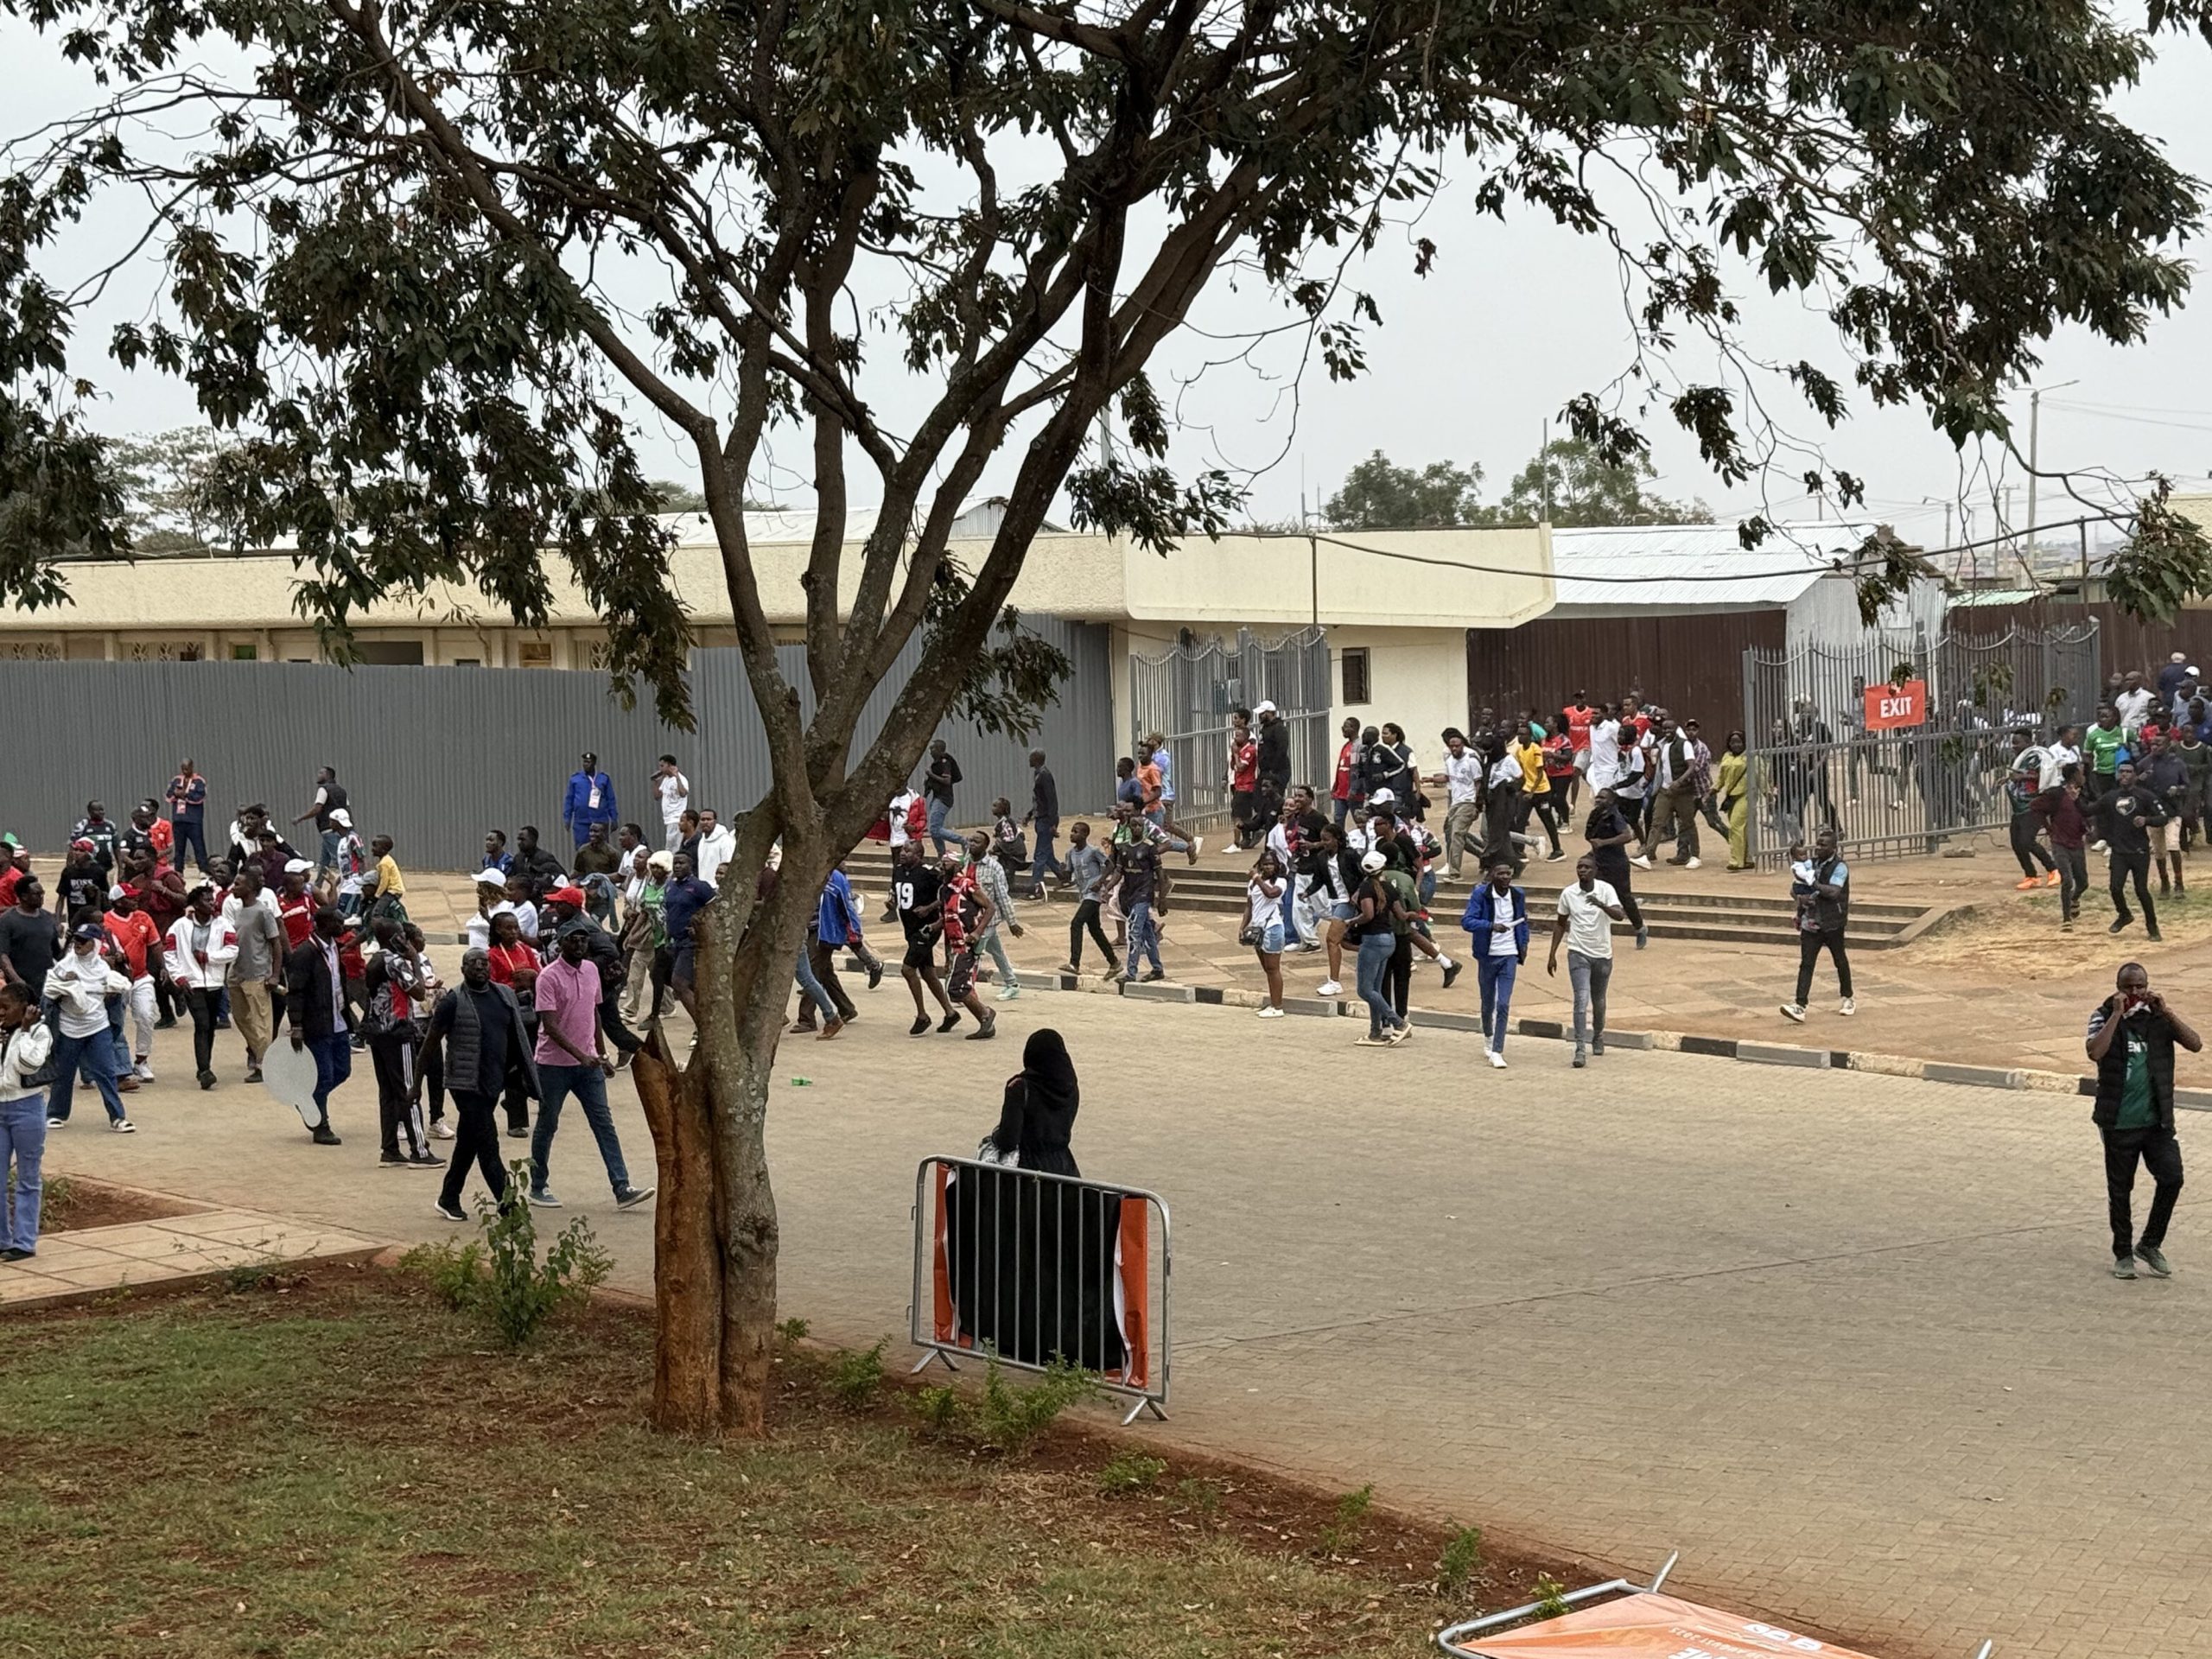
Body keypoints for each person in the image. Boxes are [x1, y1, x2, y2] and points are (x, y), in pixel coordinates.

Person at [527, 925, 652, 1211]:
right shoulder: (548, 977)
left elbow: (593, 1012)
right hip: (553, 1065)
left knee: (603, 1123)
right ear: (561, 944)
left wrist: (601, 1053)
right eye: (574, 940)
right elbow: (550, 1026)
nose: (580, 945)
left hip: (589, 1065)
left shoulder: (591, 970)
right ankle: (537, 1185)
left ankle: (622, 1186)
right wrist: (581, 1055)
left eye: (584, 940)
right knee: (548, 1124)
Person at [2086, 961, 2198, 1279]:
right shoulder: (2102, 1015)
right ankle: (2123, 1254)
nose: (2135, 992)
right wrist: (2116, 1015)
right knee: (2121, 1190)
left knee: (2172, 1178)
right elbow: (2095, 1052)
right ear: (2118, 988)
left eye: (2140, 986)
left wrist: (2168, 1012)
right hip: (2119, 1122)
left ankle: (2150, 1244)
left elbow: (2195, 1044)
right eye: (2128, 987)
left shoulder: (2157, 1018)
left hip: (2156, 1123)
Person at [424, 948, 539, 1222]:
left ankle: (448, 1198)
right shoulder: (453, 1001)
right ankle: (509, 1208)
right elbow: (429, 1044)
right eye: (472, 963)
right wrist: (417, 1086)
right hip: (465, 1084)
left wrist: (523, 1074)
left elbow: (518, 1036)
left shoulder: (504, 995)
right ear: (462, 969)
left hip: (493, 1082)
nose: (479, 967)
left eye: (484, 963)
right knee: (488, 1145)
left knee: (468, 1142)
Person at [361, 917, 437, 1168]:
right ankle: (420, 1151)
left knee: (387, 1093)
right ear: (395, 939)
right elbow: (419, 992)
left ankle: (390, 1149)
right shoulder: (395, 962)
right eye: (402, 936)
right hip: (398, 1030)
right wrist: (414, 959)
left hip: (378, 1032)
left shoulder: (375, 960)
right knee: (407, 1090)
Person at [44, 922, 134, 1131]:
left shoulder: (103, 968)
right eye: (76, 940)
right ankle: (55, 1113)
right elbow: (49, 992)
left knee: (106, 1072)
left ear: (94, 944)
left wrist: (111, 994)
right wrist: (65, 985)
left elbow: (118, 989)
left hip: (97, 1026)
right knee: (64, 1073)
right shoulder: (64, 966)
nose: (78, 944)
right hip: (69, 1027)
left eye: (83, 941)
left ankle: (118, 1117)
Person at [1548, 855, 1625, 1067]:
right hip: (1578, 952)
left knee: (1598, 1000)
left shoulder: (1606, 890)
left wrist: (1601, 904)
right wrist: (1552, 953)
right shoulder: (1569, 893)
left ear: (1595, 871)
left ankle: (1598, 1035)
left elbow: (1619, 915)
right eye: (1579, 867)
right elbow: (1560, 923)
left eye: (1587, 867)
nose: (1582, 870)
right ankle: (1580, 1048)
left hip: (1602, 954)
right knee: (1581, 1000)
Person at [283, 908, 352, 1146]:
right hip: (316, 1024)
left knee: (342, 1070)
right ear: (325, 923)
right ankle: (321, 1125)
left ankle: (306, 1100)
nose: (343, 924)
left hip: (337, 1021)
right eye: (338, 921)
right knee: (323, 1076)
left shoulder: (335, 948)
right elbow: (295, 991)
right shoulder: (305, 953)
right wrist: (296, 1025)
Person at [0, 981, 55, 1261]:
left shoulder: (39, 1032)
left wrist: (23, 1031)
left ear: (25, 1008)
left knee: (28, 1177)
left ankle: (24, 1242)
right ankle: (2, 1239)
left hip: (27, 1109)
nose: (1, 1012)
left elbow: (28, 1065)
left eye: (6, 1007)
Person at [1779, 828, 1853, 1023]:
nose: (1818, 848)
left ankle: (1848, 997)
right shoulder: (1809, 863)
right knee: (1807, 963)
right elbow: (1794, 889)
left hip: (1832, 922)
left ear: (1834, 848)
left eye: (1823, 845)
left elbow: (1834, 892)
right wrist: (1800, 898)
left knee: (1840, 960)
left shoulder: (1840, 867)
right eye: (1818, 844)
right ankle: (1800, 1005)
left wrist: (1814, 885)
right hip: (1810, 922)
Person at [221, 865, 285, 1084]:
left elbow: (276, 944)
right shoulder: (239, 911)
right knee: (241, 1017)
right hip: (237, 973)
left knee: (261, 1022)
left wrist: (275, 975)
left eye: (238, 884)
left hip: (257, 974)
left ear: (249, 888)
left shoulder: (262, 912)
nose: (233, 887)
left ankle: (263, 1065)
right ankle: (264, 1055)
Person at [1461, 858, 1528, 1069]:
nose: (1505, 877)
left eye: (1508, 873)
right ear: (1492, 876)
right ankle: (1488, 1038)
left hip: (1509, 954)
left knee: (1504, 1004)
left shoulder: (1518, 895)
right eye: (1501, 873)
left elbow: (1523, 919)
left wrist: (1524, 943)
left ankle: (1498, 1050)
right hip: (1488, 955)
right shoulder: (1481, 895)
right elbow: (1467, 921)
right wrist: (1491, 926)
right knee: (1488, 1002)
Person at [892, 839, 957, 1033]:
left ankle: (922, 1015)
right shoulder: (898, 871)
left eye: (908, 851)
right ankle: (950, 1013)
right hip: (910, 928)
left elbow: (948, 894)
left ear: (919, 856)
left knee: (907, 969)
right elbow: (896, 891)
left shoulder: (929, 873)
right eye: (903, 850)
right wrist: (892, 901)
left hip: (927, 929)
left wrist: (929, 908)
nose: (903, 853)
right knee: (928, 972)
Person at [2094, 759, 2164, 940]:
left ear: (2135, 775)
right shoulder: (2111, 797)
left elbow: (2163, 817)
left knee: (2141, 890)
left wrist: (2147, 820)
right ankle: (2124, 914)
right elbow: (2090, 810)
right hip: (2119, 851)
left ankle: (2153, 928)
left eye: (2128, 771)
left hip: (2139, 851)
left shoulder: (2145, 796)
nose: (2124, 774)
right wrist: (2075, 798)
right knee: (2115, 888)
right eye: (2122, 771)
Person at [1346, 849, 1408, 1046]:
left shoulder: (1366, 887)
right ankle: (1375, 1032)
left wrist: (1352, 922)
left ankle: (1398, 1022)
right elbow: (1401, 915)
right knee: (1375, 990)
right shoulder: (1389, 887)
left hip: (1372, 940)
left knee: (1364, 990)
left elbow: (1368, 915)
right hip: (1389, 939)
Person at [101, 887, 162, 1084]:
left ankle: (141, 1060)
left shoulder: (143, 917)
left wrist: (163, 968)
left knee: (146, 1016)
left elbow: (155, 945)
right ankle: (117, 1065)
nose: (136, 900)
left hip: (141, 977)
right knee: (116, 1023)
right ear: (118, 902)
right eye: (131, 898)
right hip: (117, 981)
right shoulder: (105, 921)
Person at [1104, 812, 1165, 983]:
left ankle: (1131, 973)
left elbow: (1160, 874)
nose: (1137, 828)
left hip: (1144, 894)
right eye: (1134, 825)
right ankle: (1157, 969)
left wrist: (1162, 899)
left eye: (1139, 825)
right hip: (1129, 893)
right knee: (1147, 933)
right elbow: (1118, 871)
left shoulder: (1149, 847)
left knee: (1134, 932)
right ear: (1129, 828)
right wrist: (1107, 888)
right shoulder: (1124, 848)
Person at [966, 831, 1024, 1001]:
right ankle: (1012, 984)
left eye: (977, 842)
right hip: (970, 917)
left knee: (974, 953)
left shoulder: (994, 867)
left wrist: (1012, 922)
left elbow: (1002, 896)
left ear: (985, 846)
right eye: (971, 840)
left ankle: (967, 990)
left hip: (988, 920)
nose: (972, 844)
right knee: (996, 951)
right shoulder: (964, 863)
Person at [2034, 765, 2092, 931]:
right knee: (2067, 879)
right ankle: (2066, 919)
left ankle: (2074, 898)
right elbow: (2036, 806)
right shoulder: (2056, 794)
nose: (2083, 777)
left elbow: (2087, 812)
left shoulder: (2083, 794)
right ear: (2074, 776)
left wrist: (2087, 826)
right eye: (2081, 773)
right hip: (2060, 843)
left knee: (2083, 882)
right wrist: (2048, 828)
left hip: (2077, 843)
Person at [660, 850, 715, 1026]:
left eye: (681, 863)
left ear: (690, 865)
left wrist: (700, 928)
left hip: (691, 942)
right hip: (675, 942)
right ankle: (706, 1021)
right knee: (684, 983)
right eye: (675, 863)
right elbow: (670, 913)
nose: (677, 866)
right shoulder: (670, 886)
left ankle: (703, 1027)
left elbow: (715, 910)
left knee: (680, 983)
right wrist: (667, 937)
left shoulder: (700, 887)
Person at [1059, 821, 1115, 976]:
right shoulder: (1070, 854)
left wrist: (1100, 881)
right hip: (1084, 894)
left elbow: (1110, 865)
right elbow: (1067, 875)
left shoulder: (1093, 851)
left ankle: (1074, 963)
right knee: (1095, 930)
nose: (1072, 834)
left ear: (1085, 834)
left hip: (1094, 894)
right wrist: (1061, 871)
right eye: (1072, 831)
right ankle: (1114, 962)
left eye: (1076, 831)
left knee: (1076, 923)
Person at [2006, 740, 2059, 890]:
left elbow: (2044, 776)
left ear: (2028, 742)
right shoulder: (2020, 758)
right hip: (2018, 807)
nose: (2014, 746)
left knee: (2027, 841)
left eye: (2017, 742)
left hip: (2033, 806)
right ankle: (2031, 875)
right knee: (2017, 843)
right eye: (2013, 742)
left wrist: (2022, 777)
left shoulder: (2037, 756)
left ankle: (2053, 870)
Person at [0, 879, 60, 1001]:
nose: (42, 897)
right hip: (21, 989)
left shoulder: (48, 918)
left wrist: (70, 941)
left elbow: (57, 953)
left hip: (47, 985)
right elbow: (3, 955)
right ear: (24, 896)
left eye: (42, 893)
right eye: (37, 894)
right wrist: (18, 981)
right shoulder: (7, 921)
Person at [1436, 729, 1484, 880]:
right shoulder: (1450, 760)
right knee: (1454, 834)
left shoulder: (1471, 760)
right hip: (1455, 803)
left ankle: (1454, 872)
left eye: (1457, 745)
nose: (1454, 748)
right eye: (1451, 746)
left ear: (1462, 745)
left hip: (1468, 802)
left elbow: (1478, 783)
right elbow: (1449, 778)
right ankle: (1486, 856)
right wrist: (1431, 779)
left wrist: (1476, 804)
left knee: (1457, 834)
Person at [1246, 849, 1288, 1017]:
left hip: (1272, 927)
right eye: (1265, 864)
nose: (1268, 867)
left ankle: (1278, 1007)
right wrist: (1243, 926)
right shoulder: (1253, 884)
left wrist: (1257, 879)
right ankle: (1273, 1002)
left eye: (1271, 864)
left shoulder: (1280, 881)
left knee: (1273, 968)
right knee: (1267, 968)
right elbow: (1249, 905)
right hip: (1258, 928)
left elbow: (1271, 894)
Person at [291, 766, 349, 876]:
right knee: (324, 861)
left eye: (321, 773)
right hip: (339, 829)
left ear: (328, 775)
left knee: (339, 860)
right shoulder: (342, 791)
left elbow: (317, 809)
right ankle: (318, 883)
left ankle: (348, 882)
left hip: (328, 828)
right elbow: (347, 809)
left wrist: (300, 818)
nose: (318, 775)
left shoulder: (323, 789)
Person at [1023, 750, 1064, 897]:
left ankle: (1037, 888)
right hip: (1041, 818)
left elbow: (1051, 799)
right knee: (1047, 853)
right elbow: (1039, 800)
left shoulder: (1045, 775)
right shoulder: (1038, 774)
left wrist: (1053, 823)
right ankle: (1063, 877)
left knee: (1040, 855)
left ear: (1036, 759)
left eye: (1031, 757)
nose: (1029, 760)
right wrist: (1030, 814)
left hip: (1046, 820)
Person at [561, 750, 620, 848]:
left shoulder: (603, 778)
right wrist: (567, 818)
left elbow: (610, 799)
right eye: (585, 762)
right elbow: (569, 800)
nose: (586, 764)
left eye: (588, 762)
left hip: (600, 820)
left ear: (594, 763)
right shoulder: (575, 779)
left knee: (602, 848)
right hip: (581, 821)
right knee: (582, 848)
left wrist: (614, 818)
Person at [571, 821, 623, 922]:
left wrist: (600, 878)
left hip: (604, 896)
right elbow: (578, 871)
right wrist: (569, 880)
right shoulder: (583, 851)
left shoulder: (612, 853)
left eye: (596, 831)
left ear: (604, 833)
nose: (592, 834)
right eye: (591, 831)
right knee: (589, 922)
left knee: (595, 921)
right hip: (589, 896)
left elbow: (619, 876)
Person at [1714, 731, 1752, 871]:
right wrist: (1714, 789)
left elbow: (1760, 775)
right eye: (1733, 742)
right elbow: (1721, 777)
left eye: (1739, 742)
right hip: (1731, 796)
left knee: (1736, 826)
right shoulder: (1727, 756)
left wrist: (1768, 794)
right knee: (1743, 829)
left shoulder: (1751, 756)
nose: (1736, 745)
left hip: (1747, 795)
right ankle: (1747, 858)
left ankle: (1735, 861)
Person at [166, 757, 211, 873]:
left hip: (193, 820)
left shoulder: (199, 781)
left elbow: (200, 797)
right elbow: (168, 795)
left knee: (198, 846)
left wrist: (185, 795)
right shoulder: (176, 780)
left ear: (192, 767)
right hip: (178, 819)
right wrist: (175, 794)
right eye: (183, 769)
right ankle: (179, 870)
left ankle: (203, 870)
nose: (185, 771)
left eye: (187, 768)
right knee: (179, 848)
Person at [1254, 701, 1291, 828]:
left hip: (1277, 771)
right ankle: (1263, 825)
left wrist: (1273, 770)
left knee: (1274, 801)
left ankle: (1278, 827)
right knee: (1259, 799)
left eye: (1262, 713)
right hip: (1266, 771)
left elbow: (1282, 749)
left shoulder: (1279, 728)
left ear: (1270, 713)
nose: (1260, 716)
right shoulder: (1265, 728)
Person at [923, 738, 963, 855]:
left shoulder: (945, 762)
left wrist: (931, 774)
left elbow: (947, 781)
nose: (930, 750)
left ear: (940, 750)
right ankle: (942, 855)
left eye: (933, 748)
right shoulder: (937, 763)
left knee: (934, 829)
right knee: (935, 831)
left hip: (944, 798)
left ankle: (962, 840)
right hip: (937, 796)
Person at [464, 869, 515, 952]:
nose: (478, 890)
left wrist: (487, 917)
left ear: (491, 889)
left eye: (481, 887)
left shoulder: (507, 908)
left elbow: (501, 934)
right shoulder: (486, 906)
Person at [1329, 714, 1362, 828]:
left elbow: (1358, 770)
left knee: (1359, 819)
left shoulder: (1359, 746)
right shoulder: (1346, 745)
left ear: (1354, 728)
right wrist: (1336, 785)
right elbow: (1341, 767)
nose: (1343, 729)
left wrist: (1354, 789)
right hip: (1341, 792)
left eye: (1346, 726)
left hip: (1353, 793)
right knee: (1338, 819)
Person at [366, 834, 408, 924]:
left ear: (383, 849)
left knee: (376, 913)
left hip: (392, 891)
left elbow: (384, 882)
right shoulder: (386, 860)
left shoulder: (384, 864)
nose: (372, 849)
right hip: (392, 890)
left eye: (375, 846)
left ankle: (384, 927)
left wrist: (377, 895)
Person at [652, 753, 690, 853]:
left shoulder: (681, 779)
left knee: (673, 848)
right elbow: (657, 796)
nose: (660, 769)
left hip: (676, 817)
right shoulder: (666, 780)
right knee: (670, 845)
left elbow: (683, 793)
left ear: (669, 766)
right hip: (668, 818)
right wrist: (656, 782)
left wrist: (677, 777)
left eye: (662, 766)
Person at [694, 808, 738, 889]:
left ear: (715, 821)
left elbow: (728, 864)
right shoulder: (702, 840)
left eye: (709, 819)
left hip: (717, 888)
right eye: (703, 819)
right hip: (703, 887)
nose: (706, 822)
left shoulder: (725, 840)